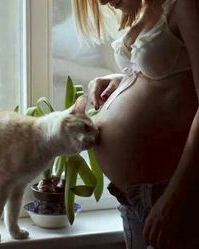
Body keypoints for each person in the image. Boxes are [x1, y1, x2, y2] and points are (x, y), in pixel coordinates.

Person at [73, 0, 199, 249]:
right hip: (133, 199)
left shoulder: (185, 6)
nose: (102, 2)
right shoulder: (147, 11)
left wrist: (173, 199)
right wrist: (120, 80)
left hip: (173, 197)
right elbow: (168, 79)